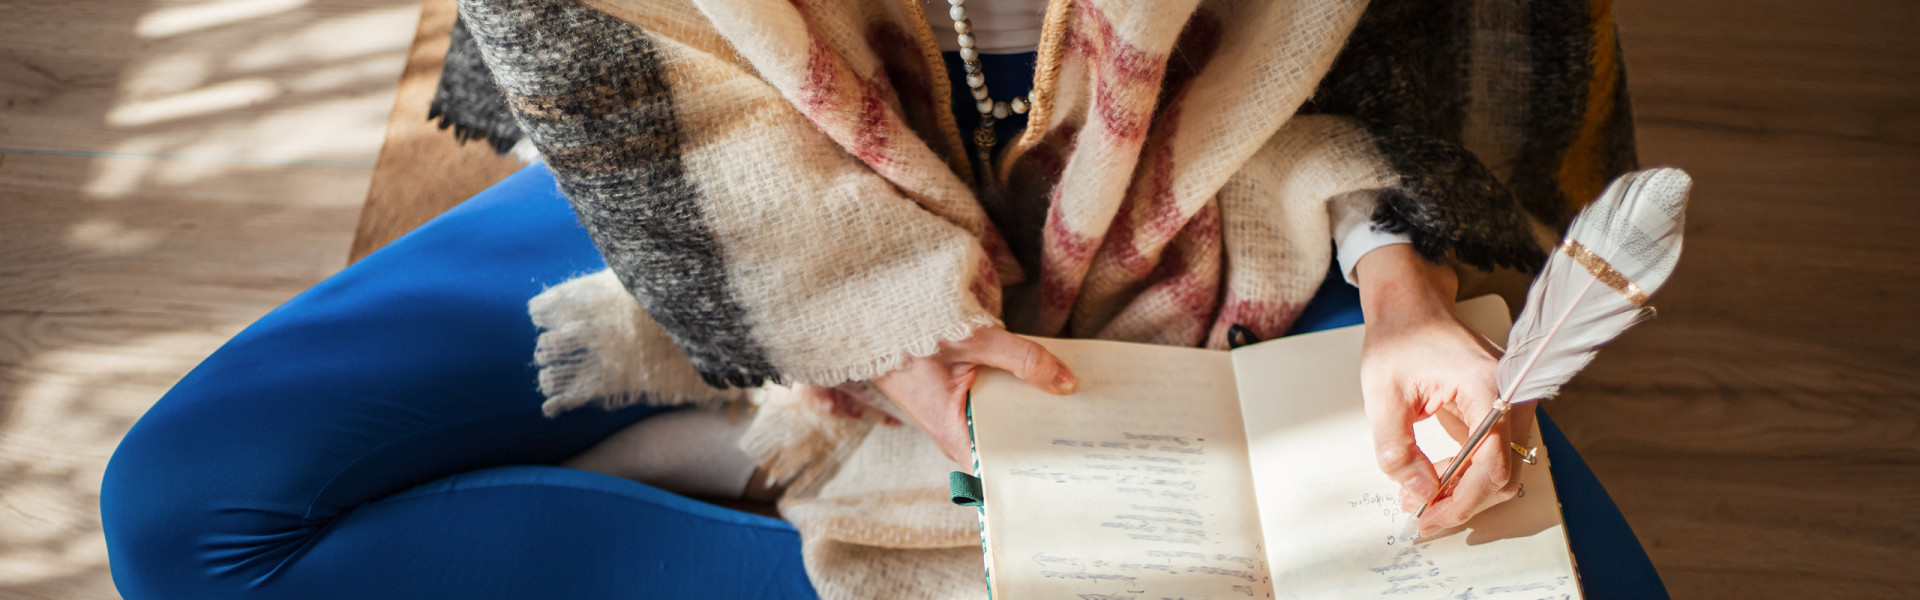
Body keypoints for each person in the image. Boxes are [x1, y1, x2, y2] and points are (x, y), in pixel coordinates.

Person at [103, 0, 1665, 598]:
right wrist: (861, 322)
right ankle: (802, 462)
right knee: (189, 516)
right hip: (744, 173)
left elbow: (1424, 46)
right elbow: (609, 40)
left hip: (1245, 194)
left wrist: (1399, 282)